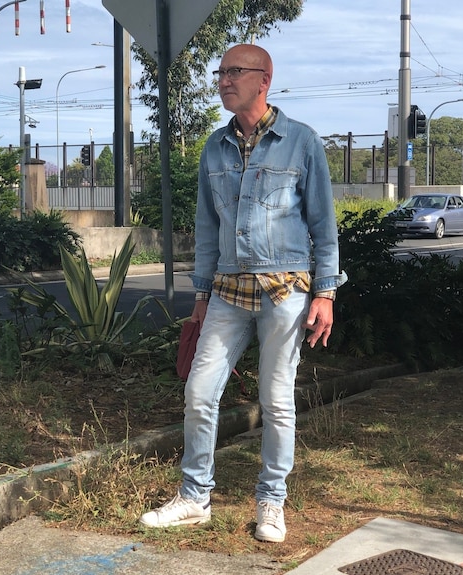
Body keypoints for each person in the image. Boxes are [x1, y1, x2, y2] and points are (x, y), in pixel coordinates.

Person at [138, 44, 347, 543]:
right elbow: (206, 230)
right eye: (221, 71)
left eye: (235, 71)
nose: (224, 79)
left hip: (286, 291)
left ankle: (272, 503)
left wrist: (326, 293)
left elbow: (323, 224)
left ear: (264, 80)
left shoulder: (301, 142)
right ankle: (194, 497)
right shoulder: (215, 147)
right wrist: (202, 296)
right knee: (199, 393)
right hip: (228, 292)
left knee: (276, 402)